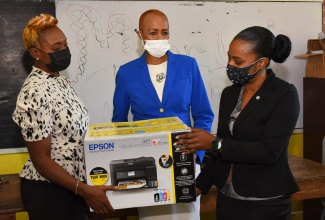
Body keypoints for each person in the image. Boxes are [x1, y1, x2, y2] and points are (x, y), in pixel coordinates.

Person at [174, 26, 300, 220]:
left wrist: (214, 143)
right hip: (228, 198)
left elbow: (269, 151)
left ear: (261, 63)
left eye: (238, 61)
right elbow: (221, 151)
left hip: (265, 202)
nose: (230, 65)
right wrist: (197, 186)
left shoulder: (284, 94)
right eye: (229, 58)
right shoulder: (230, 94)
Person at [12, 14, 117, 220]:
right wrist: (84, 189)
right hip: (50, 193)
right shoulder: (34, 90)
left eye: (65, 45)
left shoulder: (59, 81)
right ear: (36, 53)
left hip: (73, 188)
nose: (64, 52)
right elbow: (41, 160)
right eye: (56, 48)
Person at [112, 9, 214, 220]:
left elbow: (203, 113)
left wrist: (197, 154)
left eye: (164, 32)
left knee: (187, 215)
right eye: (153, 33)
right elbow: (119, 122)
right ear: (140, 35)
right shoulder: (126, 72)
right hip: (146, 161)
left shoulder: (188, 66)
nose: (160, 38)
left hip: (184, 158)